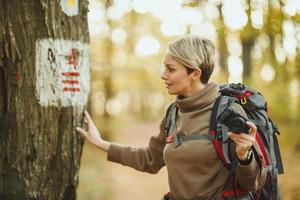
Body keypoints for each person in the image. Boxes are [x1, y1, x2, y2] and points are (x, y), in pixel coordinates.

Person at [76, 35, 266, 200]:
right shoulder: (173, 112)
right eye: (164, 68)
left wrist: (244, 156)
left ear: (195, 73)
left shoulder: (228, 112)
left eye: (171, 69)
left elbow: (253, 183)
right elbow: (150, 158)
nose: (163, 75)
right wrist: (100, 143)